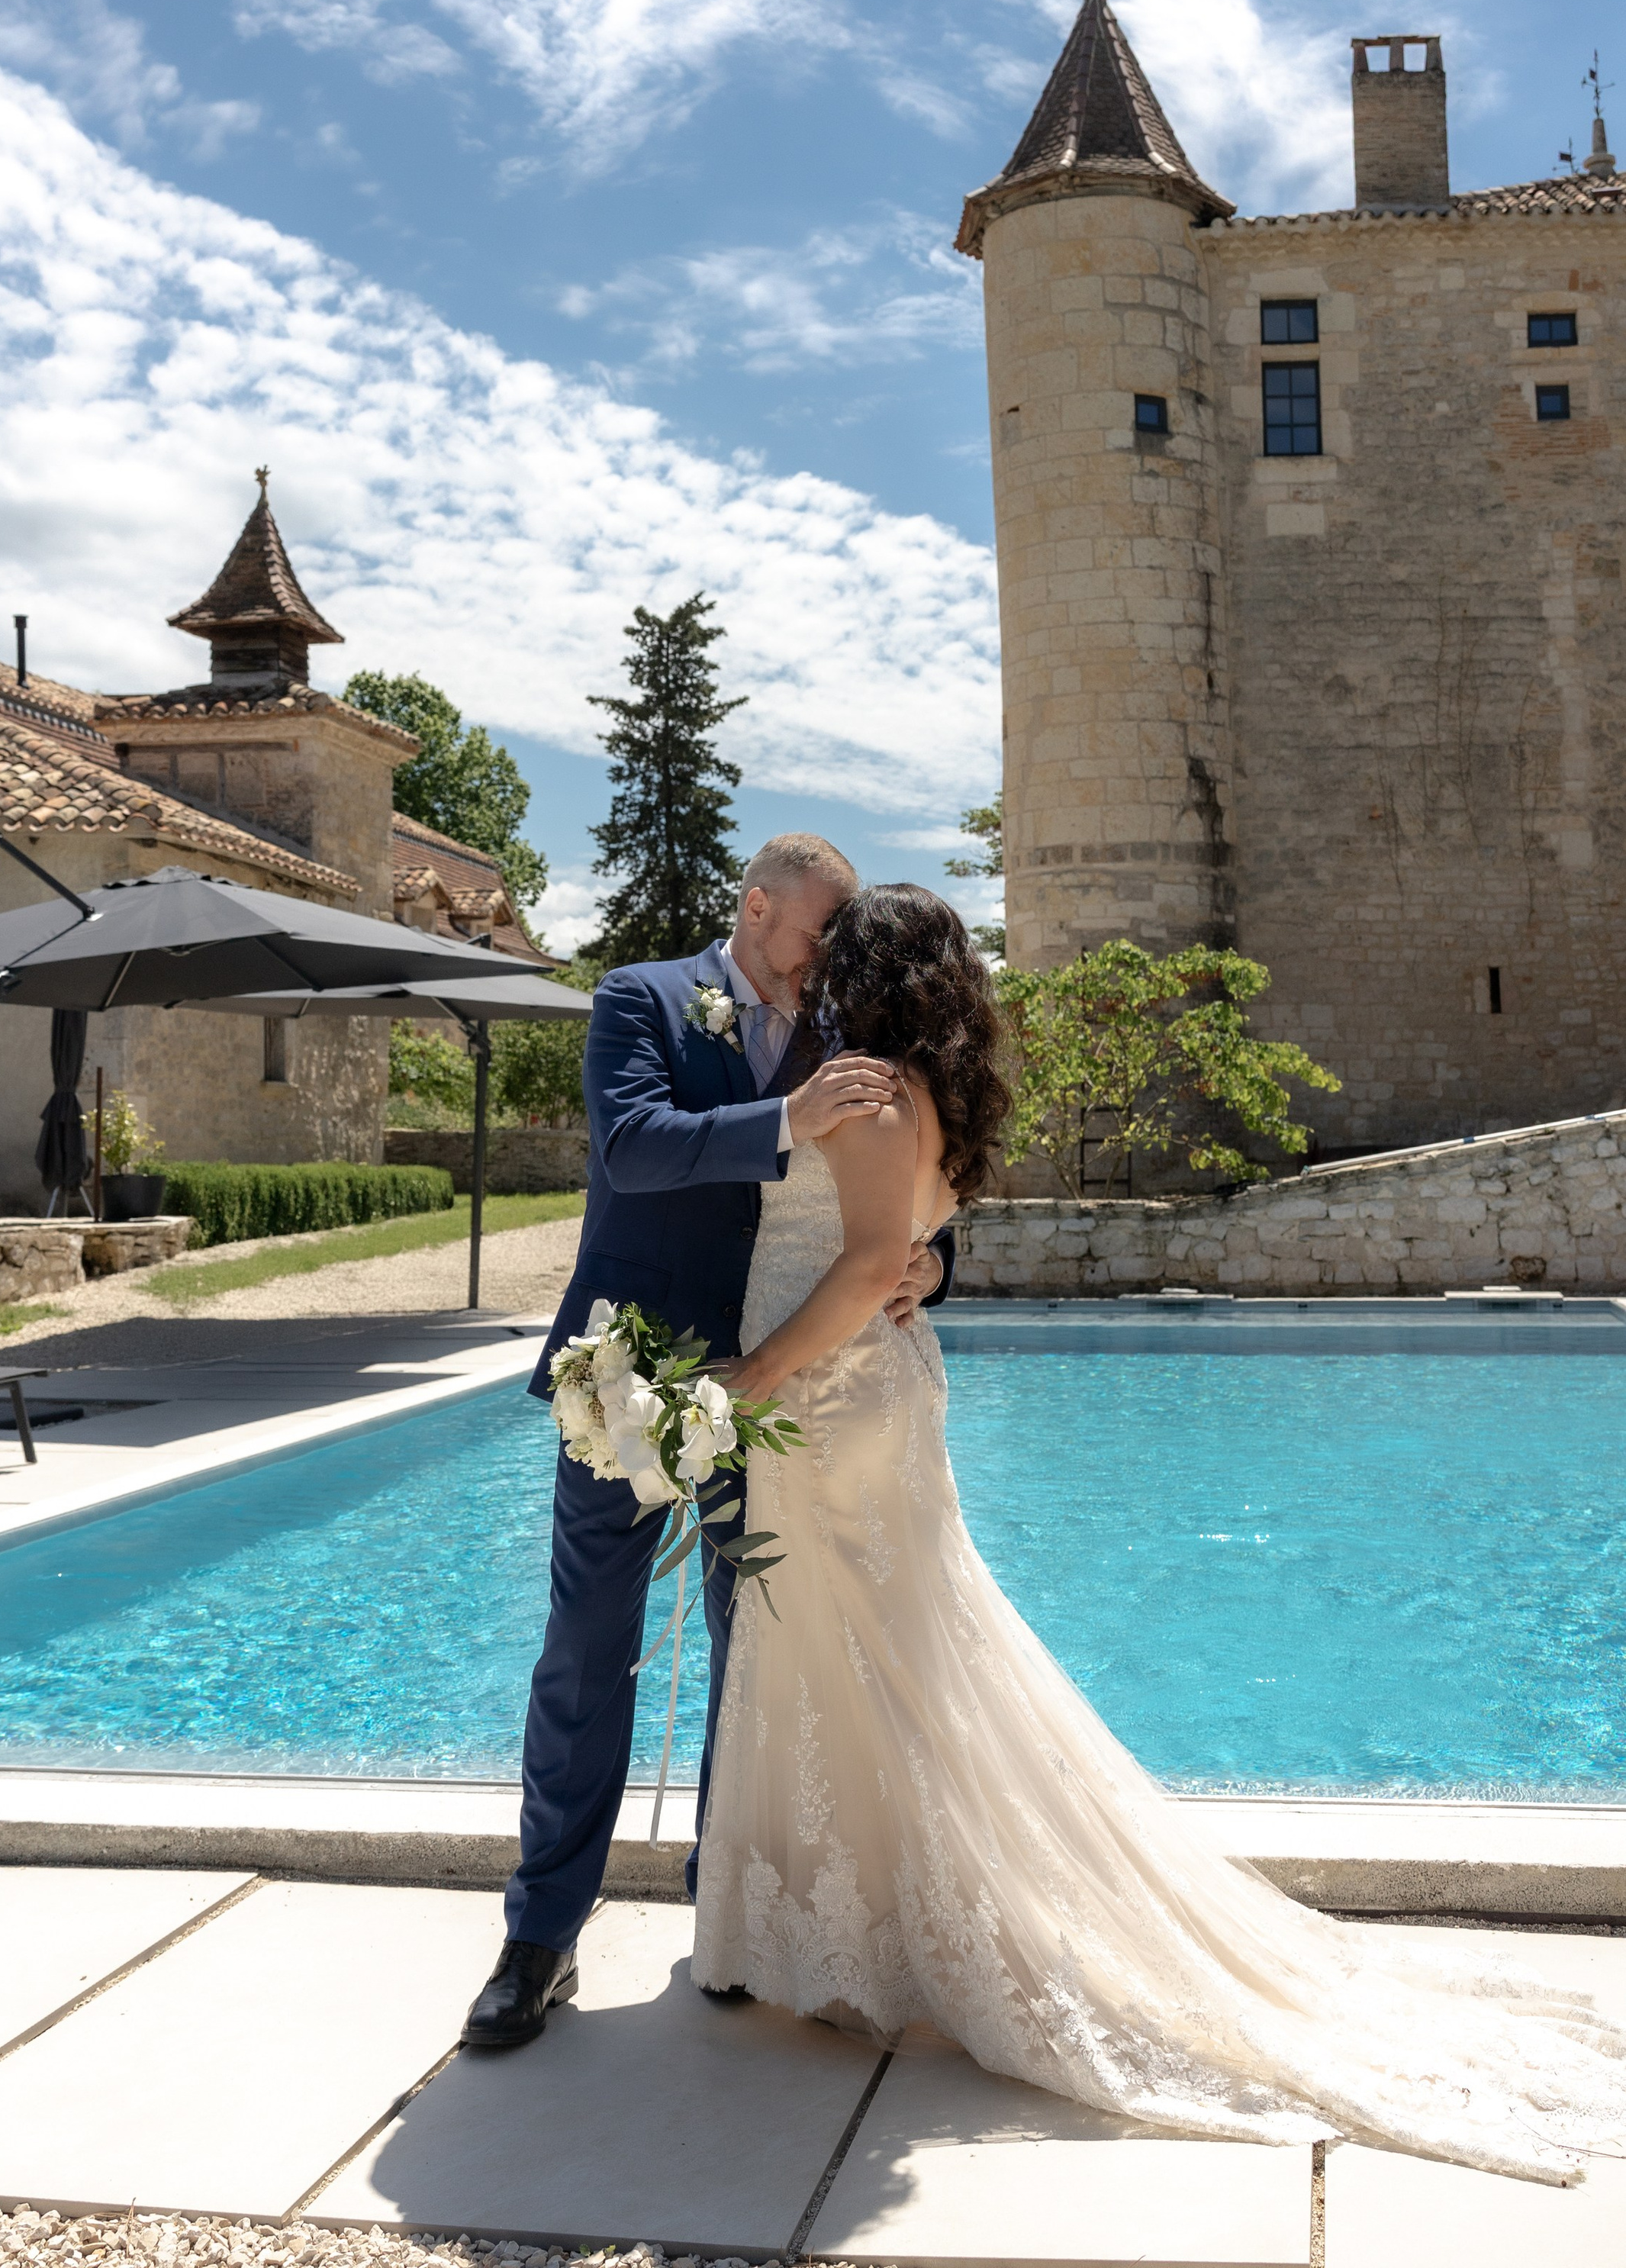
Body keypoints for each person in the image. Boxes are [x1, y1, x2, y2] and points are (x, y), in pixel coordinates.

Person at [691, 882, 1626, 2185]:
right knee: (902, 1659)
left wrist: (752, 1381)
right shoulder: (940, 1101)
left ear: (866, 974)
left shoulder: (863, 1088)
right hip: (887, 1396)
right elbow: (916, 1241)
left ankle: (881, 1935)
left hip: (835, 1398)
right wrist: (896, 1285)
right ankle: (874, 1927)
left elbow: (861, 1265)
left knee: (870, 1661)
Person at [462, 836, 958, 2051]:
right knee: (587, 1649)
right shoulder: (640, 996)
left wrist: (932, 1267)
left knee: (763, 1650)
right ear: (756, 906)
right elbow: (632, 1145)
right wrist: (783, 1114)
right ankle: (540, 1938)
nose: (826, 961)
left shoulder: (843, 1031)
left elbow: (882, 1202)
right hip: (631, 1375)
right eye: (813, 933)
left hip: (782, 1388)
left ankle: (732, 1916)